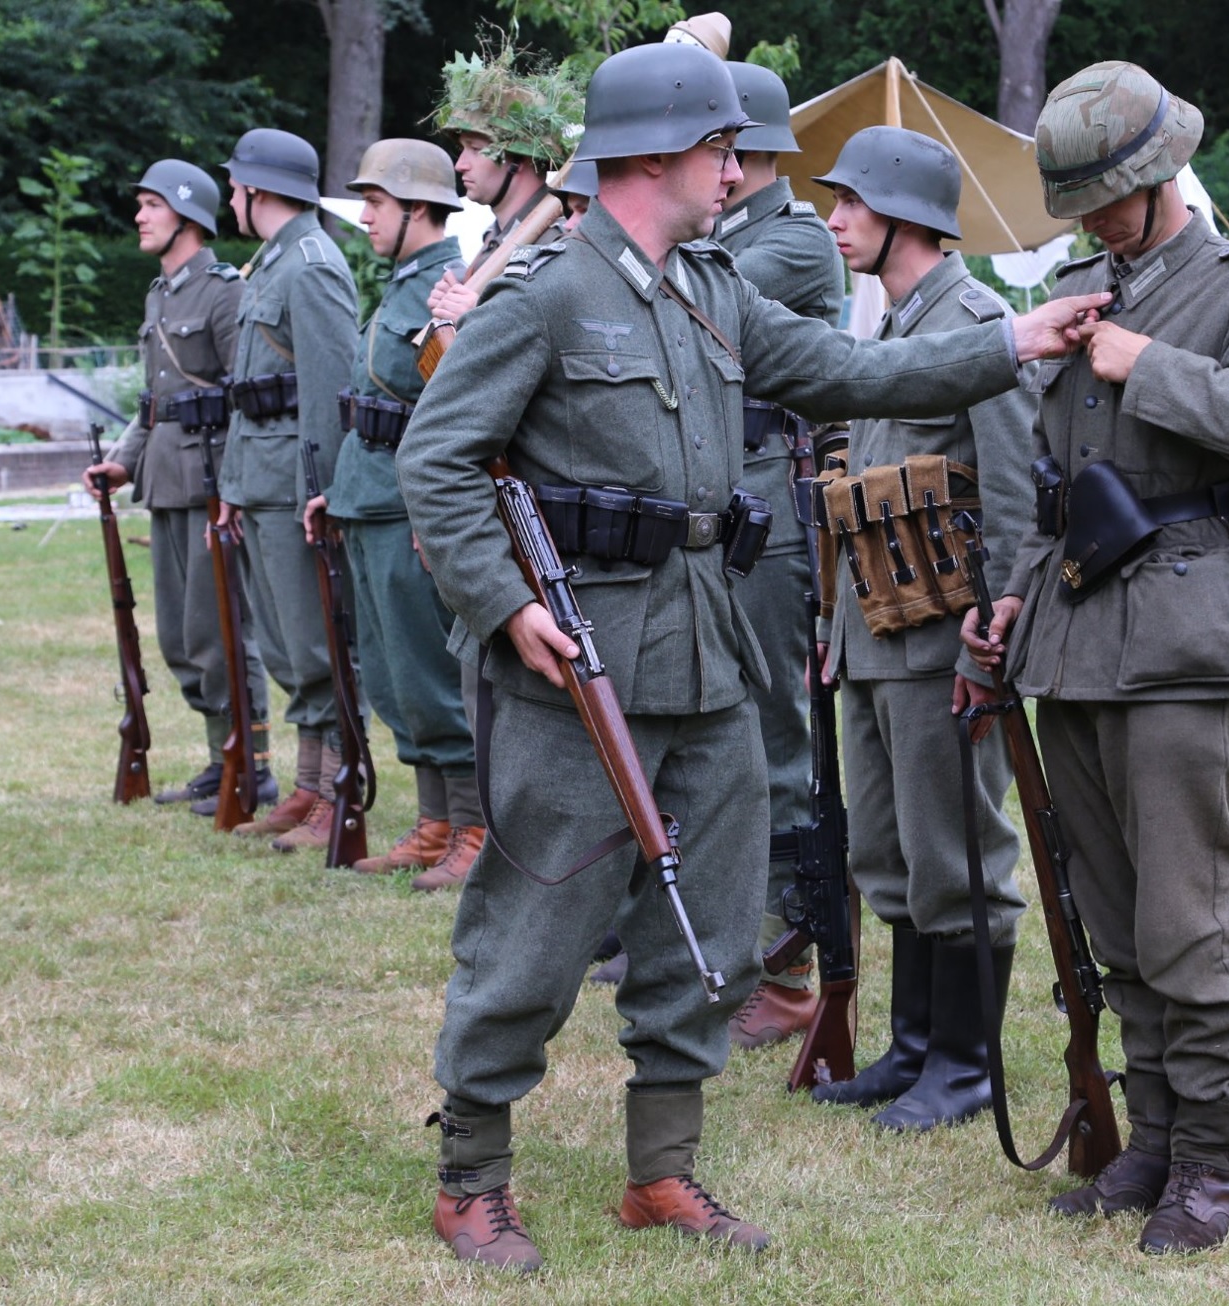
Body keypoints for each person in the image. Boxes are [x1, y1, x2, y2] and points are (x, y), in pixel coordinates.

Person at [396, 41, 1109, 1272]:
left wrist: (1011, 342)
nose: (736, 172)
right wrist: (506, 606)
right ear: (653, 155)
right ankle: (472, 1177)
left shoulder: (710, 288)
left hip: (707, 656)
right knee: (534, 927)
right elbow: (438, 459)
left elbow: (849, 370)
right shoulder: (548, 295)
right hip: (577, 668)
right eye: (720, 150)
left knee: (712, 927)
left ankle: (661, 1170)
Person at [960, 61, 1229, 1253]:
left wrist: (1145, 365)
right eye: (1076, 205)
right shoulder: (1076, 293)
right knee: (1111, 918)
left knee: (1186, 920)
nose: (1092, 223)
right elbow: (1051, 489)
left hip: (1180, 643)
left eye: (1105, 199)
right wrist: (1010, 602)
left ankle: (1211, 1164)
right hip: (1068, 644)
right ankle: (1153, 1139)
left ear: (1163, 174)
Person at [808, 126, 1034, 1130]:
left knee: (955, 853)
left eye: (849, 201)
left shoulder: (976, 323)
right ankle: (912, 1049)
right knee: (888, 852)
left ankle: (966, 1062)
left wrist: (994, 637)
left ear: (903, 213)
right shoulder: (894, 328)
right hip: (872, 636)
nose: (834, 219)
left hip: (943, 641)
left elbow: (1017, 494)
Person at [297, 139, 484, 889]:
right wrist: (337, 491)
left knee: (430, 672)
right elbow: (371, 405)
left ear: (417, 209)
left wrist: (435, 513)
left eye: (375, 203)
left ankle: (472, 826)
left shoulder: (450, 287)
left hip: (410, 507)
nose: (365, 217)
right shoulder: (403, 284)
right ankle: (434, 823)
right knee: (392, 674)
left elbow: (454, 413)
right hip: (369, 497)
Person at [83, 161, 277, 813]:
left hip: (210, 484)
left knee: (216, 631)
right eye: (140, 204)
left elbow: (245, 397)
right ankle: (219, 758)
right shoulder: (159, 295)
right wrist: (123, 463)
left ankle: (252, 765)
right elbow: (156, 401)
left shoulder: (224, 293)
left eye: (152, 205)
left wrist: (236, 488)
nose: (139, 216)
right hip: (164, 481)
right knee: (177, 637)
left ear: (187, 215)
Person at [717, 60, 845, 1050]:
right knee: (719, 733)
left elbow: (689, 306)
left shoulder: (794, 241)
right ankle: (726, 940)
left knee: (776, 739)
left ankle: (790, 964)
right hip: (723, 503)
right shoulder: (723, 237)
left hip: (771, 506)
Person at [217, 129, 360, 851]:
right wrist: (232, 483)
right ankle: (308, 786)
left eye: (234, 186)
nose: (229, 198)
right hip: (261, 481)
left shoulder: (311, 265)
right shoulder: (272, 263)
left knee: (317, 644)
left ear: (256, 190)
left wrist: (325, 493)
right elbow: (251, 394)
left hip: (297, 490)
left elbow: (332, 390)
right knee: (285, 646)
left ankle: (338, 790)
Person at [425, 47, 582, 322]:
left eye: (476, 149)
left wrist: (479, 316)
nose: (460, 164)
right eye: (463, 149)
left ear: (518, 160)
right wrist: (452, 305)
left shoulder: (556, 243)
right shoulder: (494, 239)